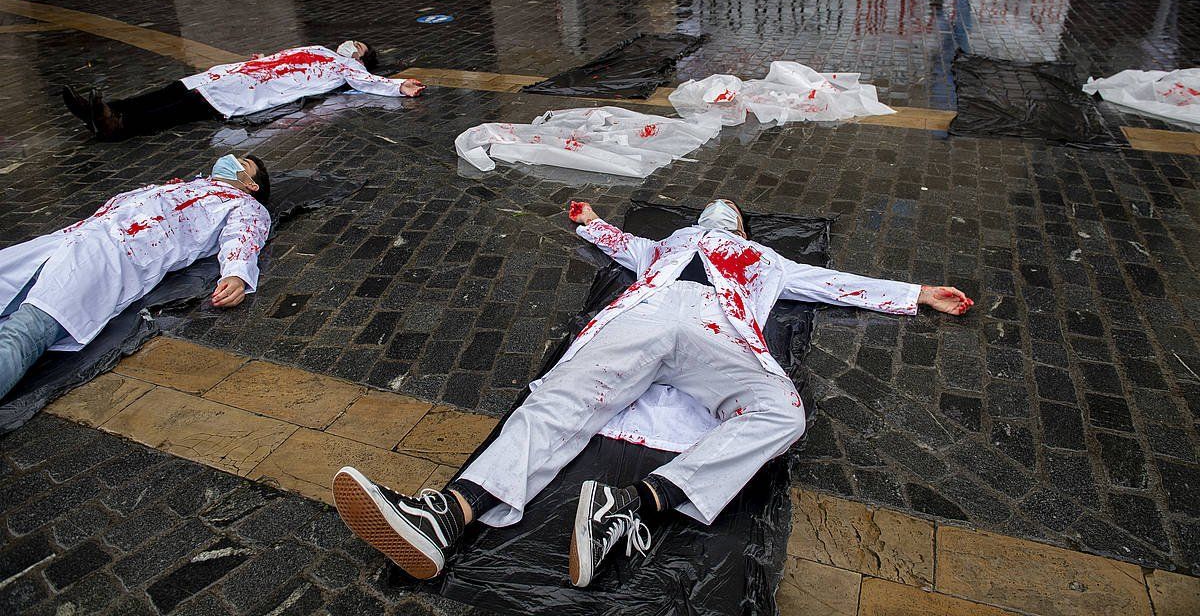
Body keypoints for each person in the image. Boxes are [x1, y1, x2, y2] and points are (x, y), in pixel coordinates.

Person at [331, 199, 974, 587]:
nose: (719, 215)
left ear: (744, 225)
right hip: (642, 317)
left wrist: (914, 293)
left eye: (731, 213)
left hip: (719, 332)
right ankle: (445, 516)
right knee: (556, 401)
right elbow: (623, 244)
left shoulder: (767, 260)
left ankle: (635, 506)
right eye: (712, 211)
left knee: (784, 413)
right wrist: (591, 224)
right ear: (698, 220)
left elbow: (833, 282)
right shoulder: (667, 246)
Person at [0, 155, 271, 398]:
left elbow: (244, 236)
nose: (231, 159)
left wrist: (236, 275)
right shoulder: (183, 186)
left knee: (26, 329)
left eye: (242, 164)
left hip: (113, 254)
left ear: (251, 184)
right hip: (72, 237)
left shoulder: (244, 204)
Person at [62, 41, 426, 140]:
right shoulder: (319, 49)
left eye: (358, 47)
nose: (351, 46)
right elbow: (286, 55)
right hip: (240, 72)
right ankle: (104, 108)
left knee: (184, 106)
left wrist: (397, 85)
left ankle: (118, 126)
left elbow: (367, 83)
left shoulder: (349, 67)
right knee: (176, 88)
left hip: (250, 88)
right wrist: (264, 57)